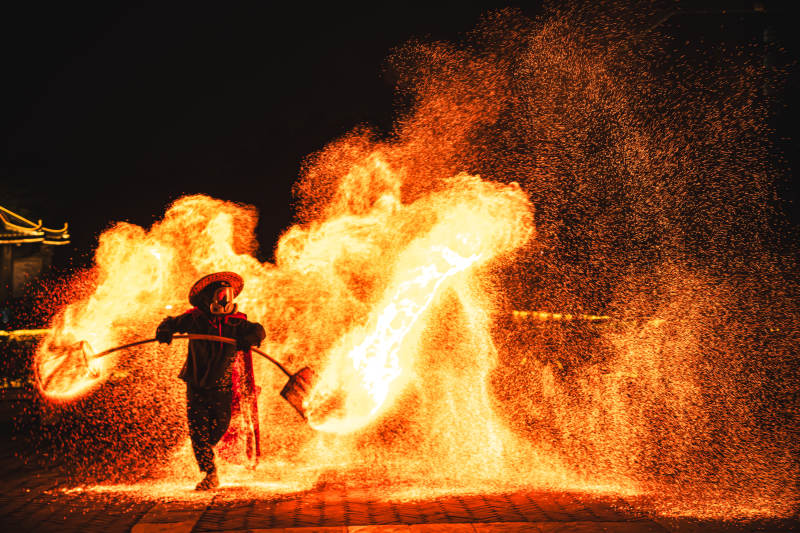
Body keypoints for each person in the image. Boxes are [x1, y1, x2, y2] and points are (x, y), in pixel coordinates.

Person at [156, 271, 265, 490]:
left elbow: (258, 330)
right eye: (220, 295)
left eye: (228, 295)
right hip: (196, 382)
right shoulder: (194, 319)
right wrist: (164, 330)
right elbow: (170, 322)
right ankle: (209, 472)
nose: (225, 299)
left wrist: (250, 339)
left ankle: (207, 451)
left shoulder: (236, 322)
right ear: (208, 298)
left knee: (220, 425)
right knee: (198, 429)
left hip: (222, 384)